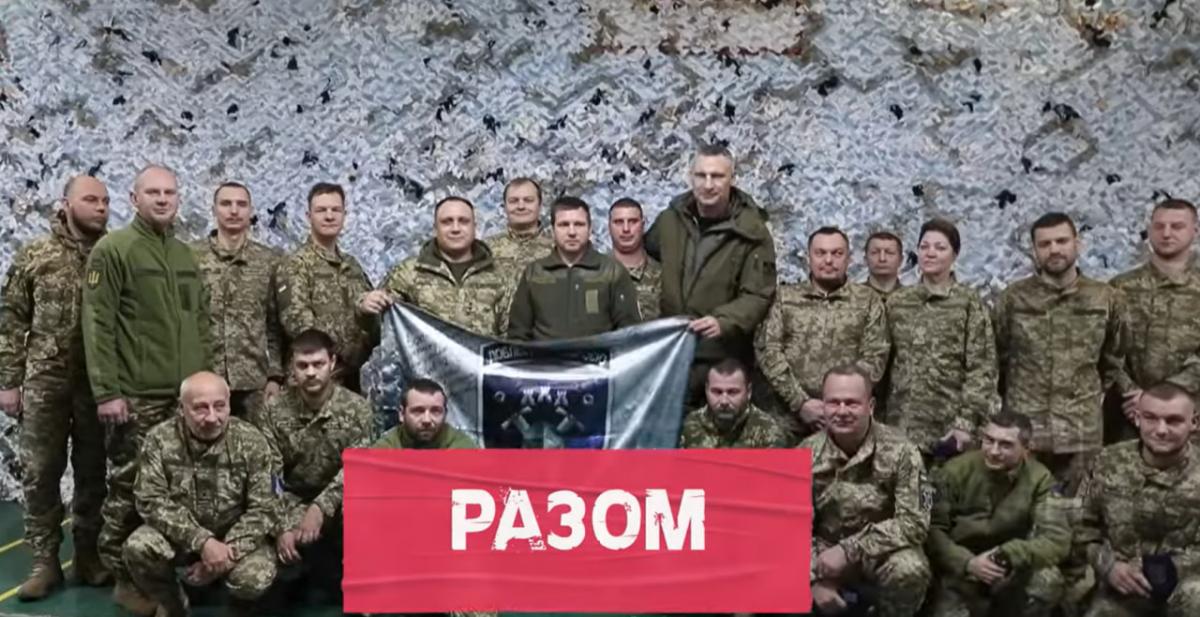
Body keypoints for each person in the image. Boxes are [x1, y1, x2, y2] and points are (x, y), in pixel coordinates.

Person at [81, 164, 212, 614]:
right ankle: (124, 578)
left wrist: (204, 384)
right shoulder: (113, 250)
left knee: (177, 489)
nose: (162, 199)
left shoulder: (184, 255)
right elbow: (97, 324)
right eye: (152, 192)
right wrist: (107, 392)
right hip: (137, 396)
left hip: (184, 399)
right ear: (134, 199)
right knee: (129, 485)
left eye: (169, 192)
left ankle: (165, 573)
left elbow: (201, 323)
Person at [0, 175, 112, 599]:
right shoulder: (36, 255)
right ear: (66, 204)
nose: (100, 207)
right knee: (40, 472)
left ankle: (89, 555)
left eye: (105, 201)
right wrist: (8, 382)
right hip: (45, 380)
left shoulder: (113, 254)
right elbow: (12, 320)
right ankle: (45, 561)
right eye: (90, 200)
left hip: (97, 381)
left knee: (93, 471)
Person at [123, 372, 277, 617]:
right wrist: (202, 541)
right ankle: (174, 605)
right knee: (138, 547)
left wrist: (225, 556)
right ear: (181, 409)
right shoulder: (159, 440)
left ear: (229, 405)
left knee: (254, 577)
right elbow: (150, 501)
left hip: (235, 537)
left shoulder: (252, 441)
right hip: (182, 538)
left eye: (220, 406)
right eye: (200, 408)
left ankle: (240, 608)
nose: (212, 417)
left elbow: (264, 508)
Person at [994, 212, 1123, 494]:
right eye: (1045, 244)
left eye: (1062, 241)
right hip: (1025, 429)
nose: (1054, 249)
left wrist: (1087, 392)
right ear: (1034, 251)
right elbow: (998, 355)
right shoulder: (1013, 298)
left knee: (1080, 508)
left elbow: (1114, 356)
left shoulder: (1105, 298)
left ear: (1078, 243)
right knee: (1020, 507)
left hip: (1081, 429)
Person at [644, 143, 777, 405]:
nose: (708, 184)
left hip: (722, 363)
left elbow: (759, 294)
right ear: (690, 177)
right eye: (701, 175)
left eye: (717, 176)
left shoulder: (752, 231)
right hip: (672, 354)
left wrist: (724, 320)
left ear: (732, 179)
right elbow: (646, 257)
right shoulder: (670, 220)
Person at [249, 328, 374, 600]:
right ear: (291, 367)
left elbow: (357, 469)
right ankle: (295, 573)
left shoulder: (357, 409)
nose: (310, 372)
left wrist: (320, 507)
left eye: (318, 364)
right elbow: (269, 475)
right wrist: (281, 526)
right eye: (302, 365)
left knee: (365, 512)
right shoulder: (273, 411)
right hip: (293, 499)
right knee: (275, 564)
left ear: (332, 363)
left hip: (340, 499)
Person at [802, 363, 931, 617]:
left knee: (910, 567)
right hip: (823, 554)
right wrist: (812, 579)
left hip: (878, 552)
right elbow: (789, 528)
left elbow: (915, 523)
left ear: (870, 406)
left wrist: (851, 549)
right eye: (833, 402)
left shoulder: (903, 452)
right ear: (823, 405)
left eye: (852, 403)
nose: (841, 411)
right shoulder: (804, 453)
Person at [927, 411, 1070, 617]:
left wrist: (1008, 554)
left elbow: (1056, 540)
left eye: (1005, 445)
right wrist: (967, 563)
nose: (994, 451)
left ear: (1027, 449)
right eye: (989, 440)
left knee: (1047, 582)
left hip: (1010, 570)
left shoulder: (1042, 480)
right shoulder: (952, 471)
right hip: (958, 570)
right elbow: (931, 529)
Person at [1076, 382, 1200, 616]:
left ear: (1194, 423)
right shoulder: (1107, 462)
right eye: (1151, 418)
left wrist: (1167, 569)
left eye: (1173, 421)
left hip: (1187, 587)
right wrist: (1108, 566)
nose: (1161, 430)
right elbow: (1081, 526)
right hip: (1122, 585)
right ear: (1136, 418)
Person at [756, 226, 889, 439]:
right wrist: (800, 402)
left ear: (849, 259)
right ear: (809, 257)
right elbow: (768, 351)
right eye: (820, 253)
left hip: (845, 420)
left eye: (837, 253)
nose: (828, 260)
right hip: (785, 419)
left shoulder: (868, 301)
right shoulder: (783, 298)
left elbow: (875, 356)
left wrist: (836, 405)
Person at [885, 218, 999, 463]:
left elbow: (982, 368)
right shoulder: (898, 302)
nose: (930, 253)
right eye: (924, 246)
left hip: (950, 427)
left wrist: (966, 422)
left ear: (954, 255)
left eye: (940, 247)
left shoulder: (969, 303)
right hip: (902, 425)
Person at [190, 181, 286, 417]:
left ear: (250, 211)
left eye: (241, 204)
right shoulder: (191, 257)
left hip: (254, 382)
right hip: (204, 380)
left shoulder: (268, 261)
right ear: (213, 210)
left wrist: (275, 376)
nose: (234, 211)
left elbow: (274, 324)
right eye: (226, 204)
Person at [1110, 198, 1200, 443]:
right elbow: (1105, 349)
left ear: (1195, 231)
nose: (1166, 233)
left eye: (1177, 226)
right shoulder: (1120, 287)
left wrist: (1157, 398)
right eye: (1159, 226)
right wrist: (1131, 393)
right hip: (1131, 416)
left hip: (1190, 416)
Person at [359, 196, 509, 336]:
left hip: (480, 356)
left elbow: (511, 336)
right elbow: (381, 327)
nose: (455, 228)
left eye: (463, 221)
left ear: (474, 227)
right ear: (435, 228)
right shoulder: (408, 272)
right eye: (447, 222)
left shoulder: (499, 274)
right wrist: (366, 310)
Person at [277, 182, 377, 392]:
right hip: (312, 382)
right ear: (309, 216)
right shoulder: (295, 264)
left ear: (344, 215)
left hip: (351, 382)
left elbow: (371, 324)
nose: (329, 216)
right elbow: (299, 325)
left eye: (335, 210)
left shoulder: (352, 265)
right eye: (321, 210)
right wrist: (350, 339)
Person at [507, 196, 640, 340]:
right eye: (564, 225)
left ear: (590, 229)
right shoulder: (535, 274)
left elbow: (630, 333)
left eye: (579, 224)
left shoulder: (612, 272)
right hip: (544, 354)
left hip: (596, 354)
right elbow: (518, 334)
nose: (572, 232)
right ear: (553, 230)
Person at [678, 358, 789, 448]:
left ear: (748, 392)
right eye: (717, 392)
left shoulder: (767, 431)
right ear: (706, 390)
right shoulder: (691, 424)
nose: (724, 401)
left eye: (732, 392)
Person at [485, 177, 555, 276]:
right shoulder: (486, 250)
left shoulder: (558, 248)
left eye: (528, 200)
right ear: (504, 207)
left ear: (540, 205)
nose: (521, 206)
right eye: (513, 201)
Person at [607, 197, 662, 321]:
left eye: (633, 221)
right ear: (609, 227)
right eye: (619, 222)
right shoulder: (593, 273)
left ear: (643, 225)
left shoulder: (663, 277)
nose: (626, 229)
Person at [864, 231, 905, 299]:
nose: (882, 258)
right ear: (865, 259)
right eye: (875, 252)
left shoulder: (914, 298)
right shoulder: (850, 297)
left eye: (890, 253)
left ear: (900, 260)